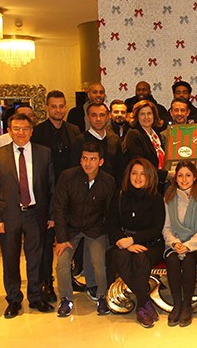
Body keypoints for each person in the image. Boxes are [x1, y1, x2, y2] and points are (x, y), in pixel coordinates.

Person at [0, 113, 55, 318]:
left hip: (35, 214)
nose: (21, 133)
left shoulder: (44, 153)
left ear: (31, 131)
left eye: (25, 129)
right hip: (9, 216)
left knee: (36, 258)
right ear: (9, 131)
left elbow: (51, 188)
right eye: (16, 129)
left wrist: (51, 215)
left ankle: (35, 296)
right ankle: (14, 299)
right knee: (10, 259)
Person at [54, 142, 116, 317]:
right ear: (80, 159)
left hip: (95, 228)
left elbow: (109, 212)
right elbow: (59, 208)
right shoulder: (67, 177)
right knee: (62, 263)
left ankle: (102, 296)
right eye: (85, 158)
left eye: (93, 159)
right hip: (70, 228)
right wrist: (61, 238)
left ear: (101, 162)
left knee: (99, 263)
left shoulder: (108, 181)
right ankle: (66, 299)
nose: (88, 163)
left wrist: (109, 239)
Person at [32, 90, 82, 302]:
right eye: (54, 106)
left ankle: (68, 277)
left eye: (61, 106)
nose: (58, 110)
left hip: (70, 195)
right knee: (46, 243)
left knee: (69, 238)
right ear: (46, 108)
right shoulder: (37, 132)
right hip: (46, 195)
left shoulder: (74, 130)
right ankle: (46, 283)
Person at [107, 158, 165, 328]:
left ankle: (140, 305)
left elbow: (157, 228)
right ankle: (144, 302)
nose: (138, 178)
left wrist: (133, 240)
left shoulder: (156, 198)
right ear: (128, 175)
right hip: (124, 242)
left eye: (143, 174)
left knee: (140, 258)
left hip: (151, 244)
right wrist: (125, 242)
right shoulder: (119, 196)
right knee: (120, 256)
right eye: (134, 173)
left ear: (149, 176)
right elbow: (111, 224)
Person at [162, 160, 197, 327]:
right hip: (174, 244)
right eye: (180, 176)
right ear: (175, 178)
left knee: (189, 260)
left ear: (195, 177)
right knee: (172, 260)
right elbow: (166, 227)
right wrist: (175, 243)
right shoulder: (169, 198)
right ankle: (177, 304)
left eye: (188, 175)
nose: (184, 179)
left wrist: (189, 245)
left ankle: (187, 305)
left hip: (195, 244)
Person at [72, 102, 125, 185]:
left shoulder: (115, 139)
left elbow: (120, 169)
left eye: (102, 115)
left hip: (112, 189)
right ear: (88, 118)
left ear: (108, 117)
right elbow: (75, 170)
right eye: (94, 115)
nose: (98, 119)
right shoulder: (79, 141)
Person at [122, 100, 168, 188]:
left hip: (156, 183)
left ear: (154, 115)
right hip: (142, 185)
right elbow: (140, 164)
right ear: (137, 117)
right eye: (142, 114)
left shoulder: (156, 135)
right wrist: (166, 175)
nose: (146, 117)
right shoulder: (133, 135)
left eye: (149, 113)